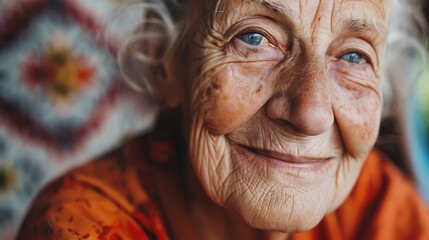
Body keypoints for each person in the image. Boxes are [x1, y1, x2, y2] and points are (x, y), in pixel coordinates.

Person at [17, 0, 429, 239]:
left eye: (354, 56)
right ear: (165, 61)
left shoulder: (376, 206)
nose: (311, 113)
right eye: (253, 38)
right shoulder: (85, 225)